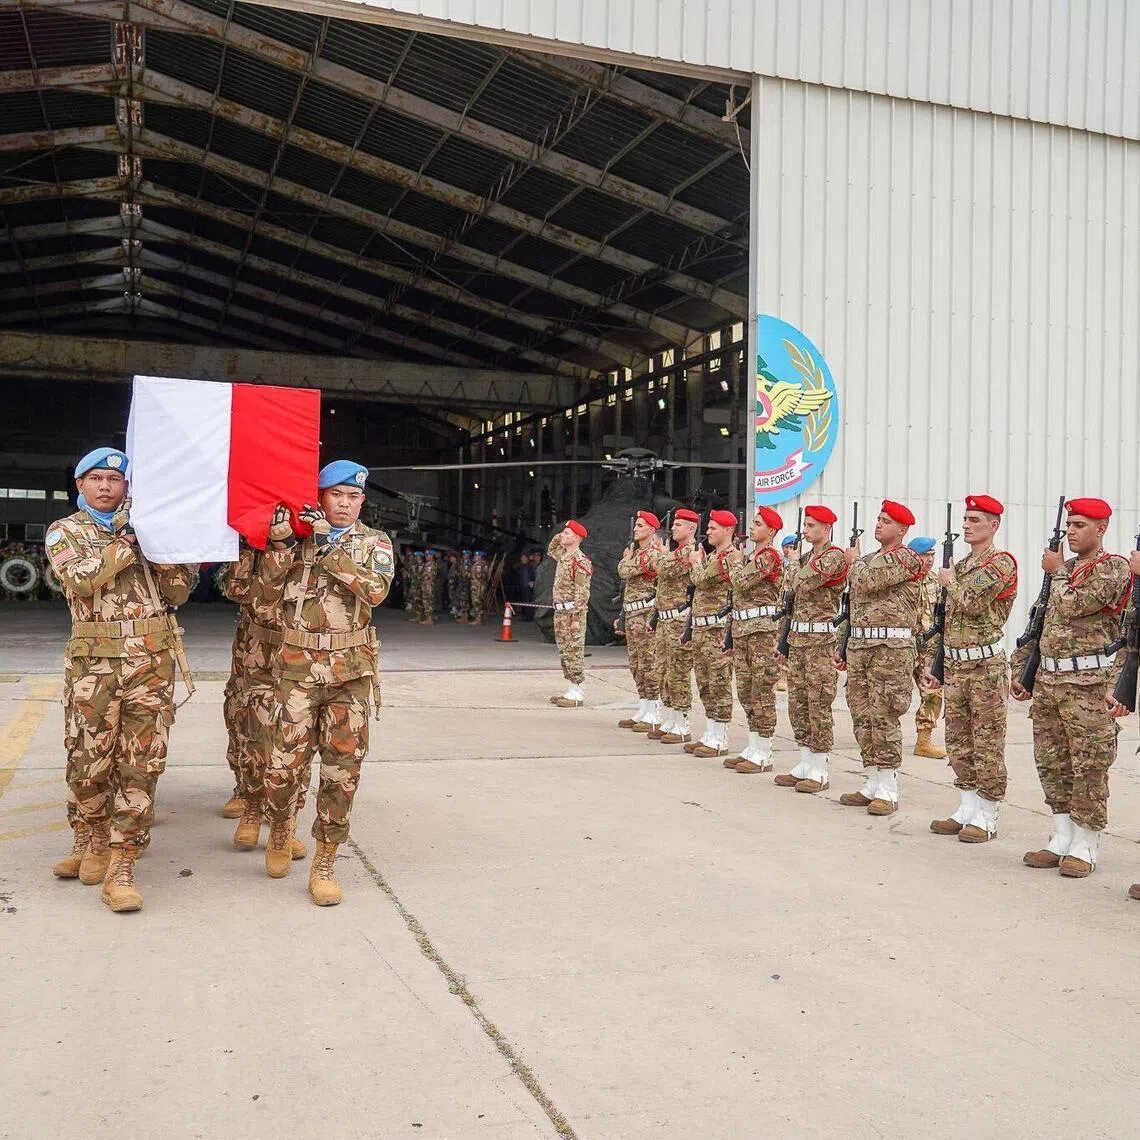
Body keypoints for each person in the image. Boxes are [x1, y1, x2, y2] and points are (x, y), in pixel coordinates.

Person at [46, 447, 196, 912]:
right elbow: (81, 578)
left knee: (141, 765)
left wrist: (160, 548)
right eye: (96, 478)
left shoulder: (153, 531)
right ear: (80, 485)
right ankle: (90, 837)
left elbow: (180, 591)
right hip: (95, 666)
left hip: (151, 664)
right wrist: (128, 542)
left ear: (130, 487)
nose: (106, 486)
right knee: (88, 761)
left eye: (116, 479)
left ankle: (122, 861)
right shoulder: (65, 531)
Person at [251, 460, 394, 905]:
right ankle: (279, 829)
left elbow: (375, 591)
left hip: (350, 674)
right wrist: (278, 545)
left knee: (341, 770)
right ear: (320, 496)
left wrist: (329, 547)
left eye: (353, 497)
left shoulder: (374, 542)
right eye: (337, 495)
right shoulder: (295, 540)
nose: (345, 503)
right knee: (281, 767)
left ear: (362, 501)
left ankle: (325, 860)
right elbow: (261, 597)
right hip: (296, 669)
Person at [1011, 498, 1130, 877]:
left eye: (1080, 525)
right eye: (1069, 525)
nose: (1072, 532)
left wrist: (1058, 570)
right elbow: (1039, 619)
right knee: (1051, 762)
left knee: (1089, 765)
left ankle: (1086, 842)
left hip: (1088, 684)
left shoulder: (1113, 568)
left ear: (1101, 529)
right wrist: (1020, 669)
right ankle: (1061, 836)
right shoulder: (1062, 571)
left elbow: (1073, 605)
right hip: (1048, 681)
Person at [928, 495, 1018, 843]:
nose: (966, 525)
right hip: (956, 664)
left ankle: (988, 813)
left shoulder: (1001, 564)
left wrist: (949, 582)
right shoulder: (963, 565)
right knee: (959, 739)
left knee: (987, 741)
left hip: (985, 666)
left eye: (975, 520)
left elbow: (972, 602)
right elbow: (947, 620)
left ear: (993, 526)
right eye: (965, 519)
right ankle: (966, 806)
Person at [219, 548, 307, 860]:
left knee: (296, 736)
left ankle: (286, 820)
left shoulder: (318, 538)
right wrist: (272, 549)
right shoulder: (253, 541)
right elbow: (237, 589)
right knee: (251, 728)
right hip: (257, 647)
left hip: (301, 650)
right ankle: (251, 802)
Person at [836, 499, 922, 816]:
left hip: (891, 652)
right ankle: (871, 781)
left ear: (902, 529)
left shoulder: (907, 559)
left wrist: (853, 562)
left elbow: (866, 580)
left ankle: (888, 787)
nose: (878, 524)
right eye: (878, 519)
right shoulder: (869, 559)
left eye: (886, 521)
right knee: (862, 716)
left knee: (884, 716)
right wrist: (842, 643)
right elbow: (853, 606)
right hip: (860, 648)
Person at [774, 505, 848, 792]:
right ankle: (805, 761)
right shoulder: (806, 557)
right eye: (805, 525)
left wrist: (792, 563)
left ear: (826, 529)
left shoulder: (833, 556)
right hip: (799, 640)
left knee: (818, 703)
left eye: (812, 526)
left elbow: (800, 583)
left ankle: (820, 767)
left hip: (820, 642)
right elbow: (789, 599)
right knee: (798, 703)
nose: (805, 530)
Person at [724, 507, 784, 773]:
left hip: (762, 632)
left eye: (758, 524)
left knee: (761, 691)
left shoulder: (769, 556)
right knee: (746, 690)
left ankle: (764, 751)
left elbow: (740, 582)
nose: (752, 527)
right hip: (744, 629)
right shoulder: (752, 556)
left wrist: (736, 561)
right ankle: (752, 745)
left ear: (770, 531)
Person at [685, 510, 736, 758]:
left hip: (717, 628)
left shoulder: (729, 557)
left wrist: (695, 562)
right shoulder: (714, 555)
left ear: (727, 531)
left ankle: (720, 737)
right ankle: (710, 732)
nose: (708, 532)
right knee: (704, 682)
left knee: (719, 683)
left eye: (713, 528)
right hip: (702, 627)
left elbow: (701, 581)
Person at [653, 510, 699, 743]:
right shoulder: (676, 553)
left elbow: (663, 569)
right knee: (663, 670)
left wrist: (662, 555)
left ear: (691, 529)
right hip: (665, 618)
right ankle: (670, 717)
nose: (673, 528)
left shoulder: (690, 552)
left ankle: (682, 722)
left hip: (679, 620)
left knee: (678, 671)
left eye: (679, 525)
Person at [616, 511, 664, 732]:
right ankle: (644, 707)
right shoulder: (638, 552)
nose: (636, 529)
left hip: (645, 615)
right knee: (636, 664)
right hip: (633, 614)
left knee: (649, 664)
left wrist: (626, 560)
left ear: (652, 530)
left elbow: (624, 571)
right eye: (636, 525)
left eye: (641, 526)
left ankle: (654, 710)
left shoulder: (652, 554)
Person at [908, 535, 947, 758]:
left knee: (932, 692)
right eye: (925, 554)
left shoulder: (936, 582)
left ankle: (924, 741)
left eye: (932, 555)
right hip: (904, 646)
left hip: (927, 649)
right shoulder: (903, 581)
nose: (930, 559)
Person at [547, 521, 592, 707]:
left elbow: (582, 591)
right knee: (565, 651)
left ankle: (578, 692)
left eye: (566, 533)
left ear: (576, 537)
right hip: (560, 613)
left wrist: (575, 617)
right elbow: (551, 548)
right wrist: (561, 535)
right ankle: (571, 688)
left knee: (574, 651)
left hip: (573, 613)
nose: (562, 535)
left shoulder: (579, 561)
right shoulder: (564, 556)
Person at [775, 533, 800, 692]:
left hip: (793, 607)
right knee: (780, 640)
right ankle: (782, 674)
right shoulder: (780, 563)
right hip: (781, 606)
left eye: (792, 547)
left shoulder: (797, 563)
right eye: (787, 547)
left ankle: (790, 673)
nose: (789, 550)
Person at [469, 551, 489, 624]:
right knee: (479, 601)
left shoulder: (479, 565)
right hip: (479, 585)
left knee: (476, 601)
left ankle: (478, 619)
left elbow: (478, 575)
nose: (474, 557)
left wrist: (470, 575)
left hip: (477, 585)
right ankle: (479, 618)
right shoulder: (483, 563)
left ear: (480, 557)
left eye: (476, 556)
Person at [419, 550, 437, 625]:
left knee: (428, 602)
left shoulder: (431, 565)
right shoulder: (427, 564)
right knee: (426, 601)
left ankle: (429, 619)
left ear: (432, 556)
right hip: (425, 585)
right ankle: (428, 618)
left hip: (428, 585)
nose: (426, 557)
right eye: (426, 555)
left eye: (428, 555)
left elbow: (429, 576)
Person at [517, 551, 536, 622]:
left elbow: (534, 575)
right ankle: (524, 616)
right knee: (524, 601)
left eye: (524, 558)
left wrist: (533, 582)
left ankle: (529, 617)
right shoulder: (521, 567)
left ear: (527, 559)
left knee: (528, 602)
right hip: (522, 586)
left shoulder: (530, 566)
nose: (523, 559)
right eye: (522, 558)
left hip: (528, 587)